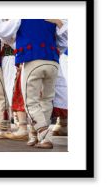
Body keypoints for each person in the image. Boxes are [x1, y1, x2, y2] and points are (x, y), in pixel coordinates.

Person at [10, 19, 67, 149]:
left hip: (32, 60)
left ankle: (44, 136)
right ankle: (34, 135)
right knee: (46, 100)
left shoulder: (20, 17)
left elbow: (0, 31)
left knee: (30, 102)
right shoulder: (53, 17)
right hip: (52, 62)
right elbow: (64, 42)